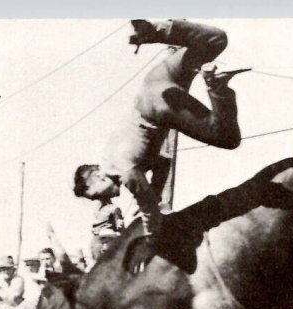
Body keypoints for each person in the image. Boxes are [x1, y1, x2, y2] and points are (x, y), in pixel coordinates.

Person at [73, 19, 248, 263]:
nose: (106, 197)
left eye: (94, 194)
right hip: (153, 83)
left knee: (228, 139)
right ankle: (155, 31)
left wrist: (151, 242)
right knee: (216, 40)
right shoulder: (112, 153)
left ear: (96, 177)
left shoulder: (124, 170)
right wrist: (155, 191)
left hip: (156, 107)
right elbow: (163, 163)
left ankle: (216, 85)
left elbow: (148, 208)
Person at [90, 197, 124, 262]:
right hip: (109, 236)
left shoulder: (96, 212)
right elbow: (120, 224)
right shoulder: (113, 208)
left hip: (100, 238)